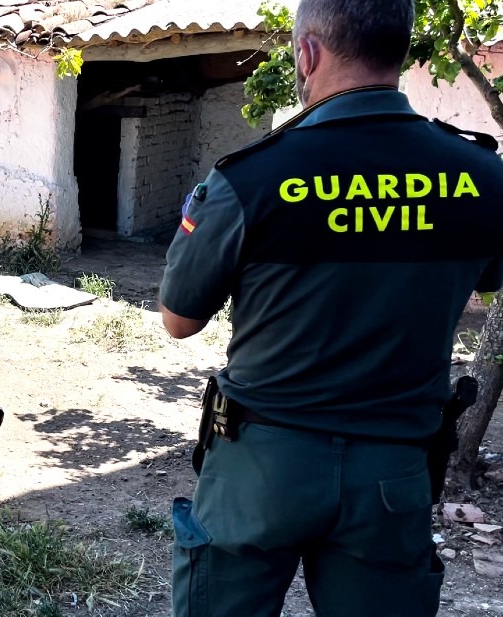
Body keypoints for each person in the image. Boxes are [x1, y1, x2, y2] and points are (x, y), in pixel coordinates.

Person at [158, 0, 503, 615]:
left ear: (308, 54)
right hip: (393, 470)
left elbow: (179, 320)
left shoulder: (250, 178)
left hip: (260, 466)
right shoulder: (481, 176)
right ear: (401, 48)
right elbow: (487, 284)